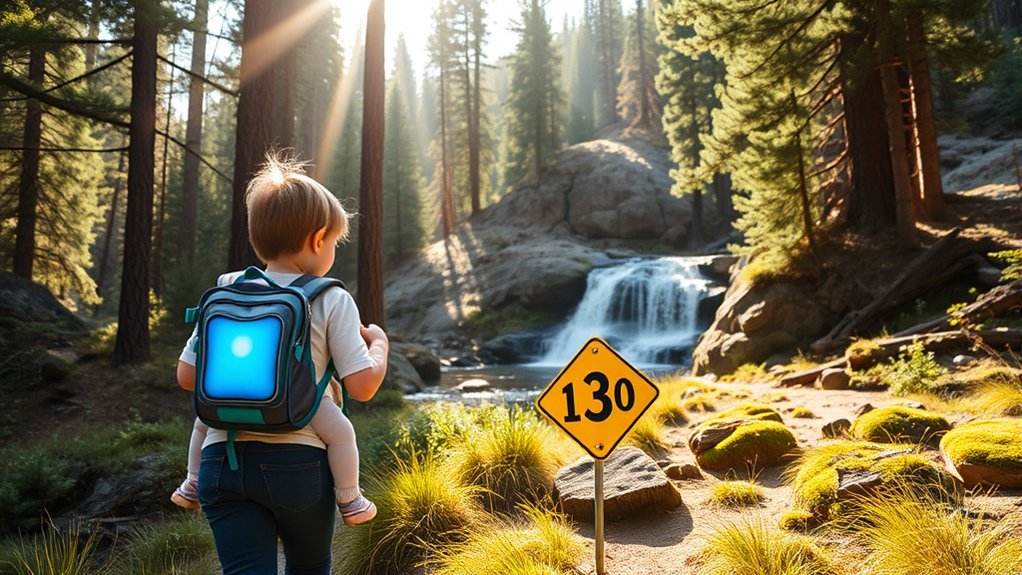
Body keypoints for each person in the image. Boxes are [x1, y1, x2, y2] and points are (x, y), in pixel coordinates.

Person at [174, 154, 389, 574]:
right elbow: (363, 386)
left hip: (220, 459)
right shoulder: (331, 297)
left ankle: (190, 484)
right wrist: (379, 346)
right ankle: (352, 499)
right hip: (298, 464)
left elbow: (186, 376)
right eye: (334, 242)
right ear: (317, 239)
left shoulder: (226, 291)